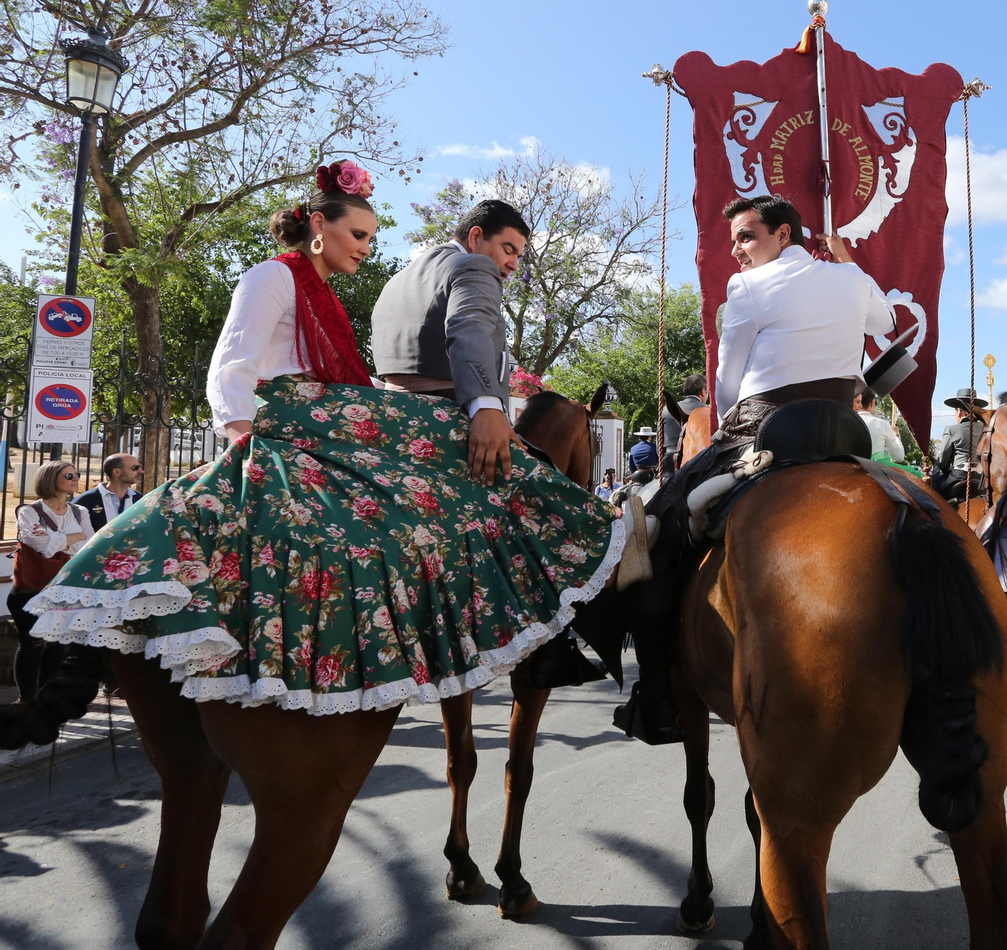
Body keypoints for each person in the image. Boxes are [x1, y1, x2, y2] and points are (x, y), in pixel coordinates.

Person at [21, 161, 622, 717]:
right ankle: (580, 577)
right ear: (317, 225)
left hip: (336, 410)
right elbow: (231, 364)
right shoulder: (273, 276)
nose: (366, 247)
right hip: (304, 414)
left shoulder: (352, 288)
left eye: (370, 238)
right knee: (511, 467)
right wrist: (240, 436)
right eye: (357, 234)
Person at [615, 193, 894, 745]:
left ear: (783, 234)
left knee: (652, 530)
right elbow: (884, 321)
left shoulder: (746, 287)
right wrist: (849, 264)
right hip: (844, 431)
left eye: (746, 236)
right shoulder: (851, 278)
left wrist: (722, 431)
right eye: (734, 239)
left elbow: (726, 382)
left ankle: (658, 695)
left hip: (762, 430)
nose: (736, 250)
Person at [370, 198, 531, 485]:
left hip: (388, 417)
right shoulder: (475, 265)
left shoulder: (399, 278)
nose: (514, 264)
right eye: (508, 250)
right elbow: (468, 327)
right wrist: (486, 407)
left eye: (518, 256)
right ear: (476, 236)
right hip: (448, 420)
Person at [9, 461, 91, 702]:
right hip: (31, 589)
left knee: (57, 645)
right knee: (32, 644)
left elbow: (88, 545)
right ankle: (27, 700)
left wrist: (57, 538)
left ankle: (45, 701)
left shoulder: (80, 512)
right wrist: (73, 537)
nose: (76, 479)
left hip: (64, 589)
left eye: (77, 474)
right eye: (69, 475)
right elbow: (42, 547)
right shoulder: (29, 511)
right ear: (50, 479)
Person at [931, 389, 987, 501]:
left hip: (959, 476)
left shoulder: (951, 429)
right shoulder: (985, 429)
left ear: (959, 411)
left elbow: (943, 463)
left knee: (933, 492)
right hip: (981, 479)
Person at [74, 453, 143, 533]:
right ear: (117, 472)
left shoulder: (139, 499)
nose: (141, 471)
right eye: (135, 468)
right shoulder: (86, 500)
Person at [659, 374, 707, 479]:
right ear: (703, 391)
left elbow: (659, 444)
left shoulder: (665, 409)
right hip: (698, 462)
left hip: (669, 463)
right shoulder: (707, 411)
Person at [854, 386, 905, 463]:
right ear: (872, 403)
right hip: (874, 469)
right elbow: (899, 457)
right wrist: (895, 434)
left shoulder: (846, 421)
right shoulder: (883, 424)